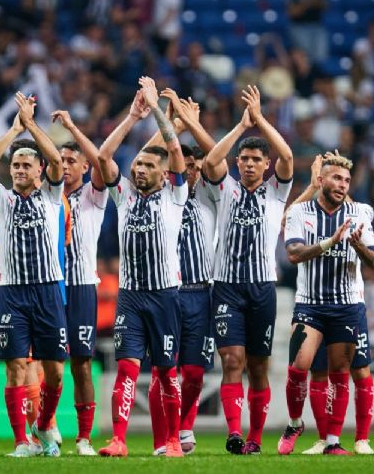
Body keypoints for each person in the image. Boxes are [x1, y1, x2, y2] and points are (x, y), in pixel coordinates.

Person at [95, 78, 188, 458]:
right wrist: (134, 117)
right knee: (127, 367)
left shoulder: (175, 196)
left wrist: (159, 115)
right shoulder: (125, 195)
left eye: (148, 165)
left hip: (165, 296)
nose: (139, 169)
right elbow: (103, 158)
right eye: (137, 164)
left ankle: (171, 441)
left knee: (167, 373)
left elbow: (176, 150)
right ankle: (118, 439)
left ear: (163, 173)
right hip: (131, 297)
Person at [203, 85, 293, 455]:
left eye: (257, 159)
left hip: (262, 287)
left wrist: (261, 120)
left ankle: (256, 437)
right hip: (226, 287)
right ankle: (234, 433)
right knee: (232, 360)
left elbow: (287, 154)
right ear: (238, 164)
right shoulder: (225, 190)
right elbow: (210, 163)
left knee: (258, 366)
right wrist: (241, 128)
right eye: (245, 160)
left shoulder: (276, 192)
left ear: (265, 165)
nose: (251, 164)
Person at [0, 92, 68, 458]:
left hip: (47, 290)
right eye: (14, 165)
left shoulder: (50, 196)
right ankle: (20, 441)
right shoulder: (0, 200)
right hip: (13, 293)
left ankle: (44, 425)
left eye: (26, 165)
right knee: (15, 367)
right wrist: (13, 132)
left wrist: (31, 125)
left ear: (39, 171)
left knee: (55, 373)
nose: (18, 170)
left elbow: (58, 160)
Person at [276, 153, 374, 456]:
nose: (342, 184)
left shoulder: (360, 212)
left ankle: (334, 441)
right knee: (299, 368)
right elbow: (293, 254)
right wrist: (329, 243)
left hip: (346, 305)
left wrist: (359, 246)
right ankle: (295, 422)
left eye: (346, 180)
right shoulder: (299, 211)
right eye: (336, 178)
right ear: (320, 180)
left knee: (341, 372)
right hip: (310, 304)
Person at [144, 92, 217, 456]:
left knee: (195, 372)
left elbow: (216, 156)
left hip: (202, 293)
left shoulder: (208, 195)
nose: (188, 171)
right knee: (163, 370)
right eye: (182, 166)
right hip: (168, 291)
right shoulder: (161, 196)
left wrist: (191, 124)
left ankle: (184, 426)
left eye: (194, 166)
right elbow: (151, 158)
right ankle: (164, 440)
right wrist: (169, 124)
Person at [51, 109, 109, 456]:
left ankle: (84, 437)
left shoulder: (93, 197)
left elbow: (103, 163)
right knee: (49, 363)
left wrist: (72, 128)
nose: (66, 165)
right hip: (52, 286)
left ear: (84, 167)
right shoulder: (47, 197)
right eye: (60, 160)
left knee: (82, 363)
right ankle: (47, 424)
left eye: (72, 160)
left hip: (83, 287)